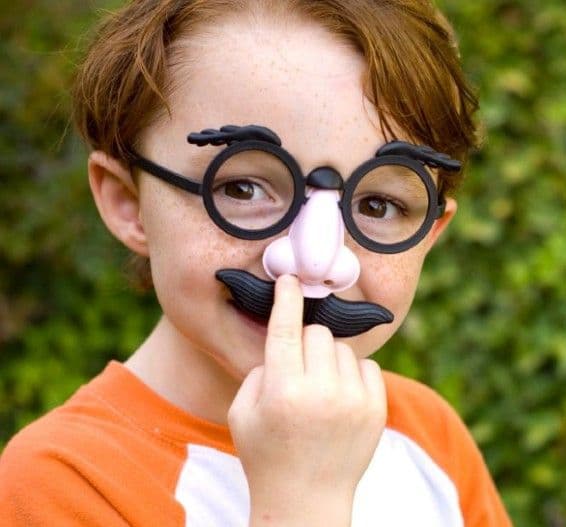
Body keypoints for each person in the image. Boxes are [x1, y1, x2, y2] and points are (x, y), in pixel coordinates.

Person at [0, 1, 512, 525]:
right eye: (243, 188)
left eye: (378, 206)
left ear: (430, 234)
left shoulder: (429, 437)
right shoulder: (61, 484)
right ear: (129, 202)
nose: (316, 262)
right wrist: (302, 501)